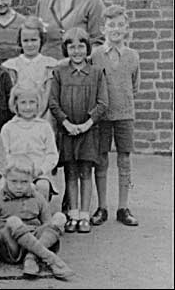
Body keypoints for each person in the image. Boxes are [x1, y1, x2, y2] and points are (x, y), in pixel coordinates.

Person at [48, 27, 108, 234]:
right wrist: (67, 124)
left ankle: (84, 214)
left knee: (86, 172)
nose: (76, 51)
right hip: (68, 131)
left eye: (81, 46)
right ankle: (72, 214)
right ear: (66, 49)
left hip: (88, 131)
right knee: (71, 173)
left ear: (87, 48)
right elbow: (53, 103)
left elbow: (102, 104)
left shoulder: (97, 73)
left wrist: (86, 125)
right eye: (71, 47)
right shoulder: (59, 73)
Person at [0, 156, 74, 279]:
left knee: (60, 217)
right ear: (6, 179)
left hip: (35, 239)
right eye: (14, 181)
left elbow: (47, 224)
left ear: (31, 180)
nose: (19, 186)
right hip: (12, 247)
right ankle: (50, 259)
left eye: (24, 182)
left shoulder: (38, 198)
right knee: (13, 221)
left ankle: (31, 257)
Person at [90, 4, 140, 227]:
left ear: (127, 28)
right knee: (101, 159)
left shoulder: (133, 56)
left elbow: (135, 86)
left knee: (124, 159)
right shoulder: (96, 56)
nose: (116, 29)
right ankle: (102, 207)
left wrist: (123, 103)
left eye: (121, 25)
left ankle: (123, 207)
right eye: (111, 25)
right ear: (103, 29)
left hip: (125, 114)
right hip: (102, 116)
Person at [1, 84, 59, 201]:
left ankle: (41, 216)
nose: (27, 107)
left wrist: (41, 169)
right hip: (15, 173)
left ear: (38, 104)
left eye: (32, 102)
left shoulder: (44, 127)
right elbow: (4, 154)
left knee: (42, 186)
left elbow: (52, 154)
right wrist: (14, 169)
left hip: (38, 174)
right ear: (15, 104)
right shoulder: (9, 128)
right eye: (23, 103)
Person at [1, 16, 58, 121]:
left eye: (34, 40)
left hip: (44, 117)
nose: (30, 44)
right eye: (26, 41)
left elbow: (48, 95)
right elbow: (13, 96)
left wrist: (38, 116)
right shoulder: (12, 66)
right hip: (20, 116)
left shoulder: (50, 65)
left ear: (41, 40)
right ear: (20, 41)